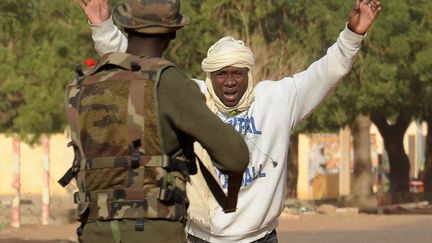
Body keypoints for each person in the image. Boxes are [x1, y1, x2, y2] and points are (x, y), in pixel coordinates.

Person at [84, 0, 382, 242]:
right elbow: (137, 66)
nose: (229, 82)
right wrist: (102, 25)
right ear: (209, 76)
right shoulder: (189, 97)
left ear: (249, 74)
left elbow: (326, 72)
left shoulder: (278, 100)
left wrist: (352, 35)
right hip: (198, 236)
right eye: (221, 74)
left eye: (237, 73)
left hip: (261, 238)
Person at [60, 0, 249, 242]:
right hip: (154, 232)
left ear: (126, 26)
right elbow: (236, 157)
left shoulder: (84, 85)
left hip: (93, 231)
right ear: (172, 34)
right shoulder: (168, 82)